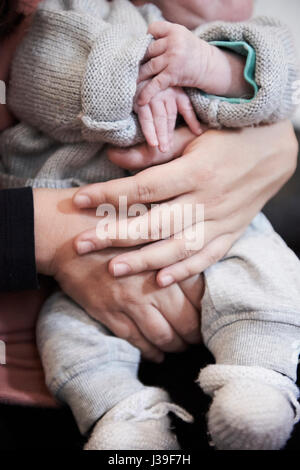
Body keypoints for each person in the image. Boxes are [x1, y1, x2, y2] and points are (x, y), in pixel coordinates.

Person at [0, 0, 299, 450]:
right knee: (67, 339)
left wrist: (265, 134)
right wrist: (50, 233)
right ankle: (122, 417)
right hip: (65, 306)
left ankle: (259, 380)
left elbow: (278, 76)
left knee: (264, 277)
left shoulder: (201, 32)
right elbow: (52, 76)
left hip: (209, 244)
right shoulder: (70, 22)